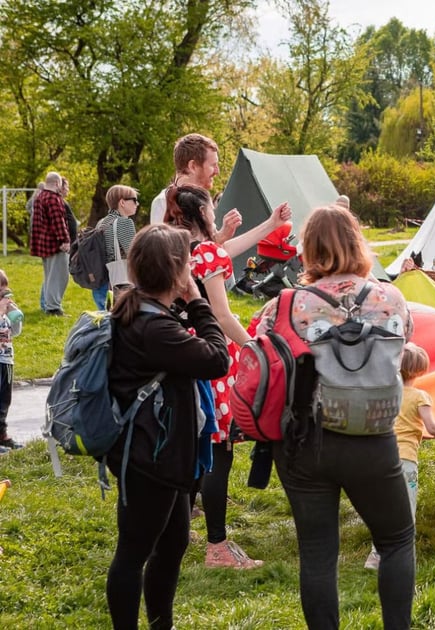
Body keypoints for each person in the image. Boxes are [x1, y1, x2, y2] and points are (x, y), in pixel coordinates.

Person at [256, 204, 416, 629]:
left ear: (308, 249)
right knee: (397, 540)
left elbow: (261, 357)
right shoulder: (390, 296)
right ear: (356, 242)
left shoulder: (284, 304)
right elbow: (406, 344)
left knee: (317, 552)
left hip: (305, 440)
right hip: (374, 436)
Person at [106, 224, 230, 630]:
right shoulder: (155, 327)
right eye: (188, 262)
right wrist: (197, 301)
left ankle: (163, 624)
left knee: (174, 541)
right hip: (149, 458)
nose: (193, 267)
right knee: (133, 552)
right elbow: (216, 358)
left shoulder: (139, 309)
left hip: (158, 452)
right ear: (175, 271)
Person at [164, 184, 291, 569]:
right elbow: (221, 314)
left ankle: (177, 533)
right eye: (212, 210)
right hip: (212, 353)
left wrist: (269, 224)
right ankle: (217, 546)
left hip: (177, 351)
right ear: (202, 214)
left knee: (189, 449)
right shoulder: (207, 252)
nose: (216, 214)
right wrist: (255, 346)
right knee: (217, 452)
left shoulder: (175, 249)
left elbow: (227, 250)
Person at [364, 343, 435, 570]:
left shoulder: (386, 393)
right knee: (405, 512)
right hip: (404, 461)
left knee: (382, 509)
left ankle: (375, 556)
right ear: (421, 370)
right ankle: (401, 559)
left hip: (379, 459)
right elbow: (433, 427)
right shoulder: (420, 397)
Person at [150, 134, 239, 243]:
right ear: (193, 166)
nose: (217, 171)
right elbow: (161, 253)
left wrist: (223, 235)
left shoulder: (202, 200)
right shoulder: (162, 202)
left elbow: (207, 247)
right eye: (213, 165)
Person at [90, 185, 140, 310]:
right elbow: (134, 253)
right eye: (134, 200)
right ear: (122, 202)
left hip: (102, 280)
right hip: (120, 282)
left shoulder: (101, 222)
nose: (137, 204)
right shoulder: (124, 222)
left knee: (106, 320)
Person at [30, 172, 72, 316]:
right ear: (57, 183)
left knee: (49, 276)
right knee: (60, 276)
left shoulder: (39, 197)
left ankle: (49, 306)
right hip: (55, 244)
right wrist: (65, 240)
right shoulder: (54, 198)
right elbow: (58, 221)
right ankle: (54, 308)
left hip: (43, 243)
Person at [0, 271, 23, 453]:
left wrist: (13, 315)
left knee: (4, 400)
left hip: (6, 359)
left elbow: (14, 333)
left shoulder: (4, 311)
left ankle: (2, 435)